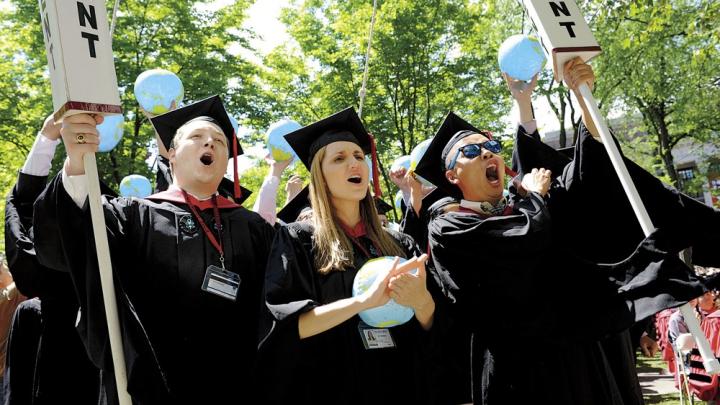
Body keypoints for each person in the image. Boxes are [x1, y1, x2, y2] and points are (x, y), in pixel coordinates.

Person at [413, 59, 718, 404]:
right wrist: (532, 196)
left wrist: (581, 98)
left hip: (577, 355)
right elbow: (518, 241)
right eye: (470, 151)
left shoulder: (526, 200)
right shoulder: (450, 226)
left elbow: (589, 171)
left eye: (491, 147)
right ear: (452, 177)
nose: (486, 152)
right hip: (517, 369)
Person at [33, 96, 275, 405]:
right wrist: (77, 162)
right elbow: (76, 238)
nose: (210, 145)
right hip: (151, 382)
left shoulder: (256, 229)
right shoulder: (132, 215)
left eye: (219, 141)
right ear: (171, 154)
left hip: (236, 384)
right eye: (197, 138)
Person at [257, 107, 439, 404]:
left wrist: (423, 302)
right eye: (339, 158)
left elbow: (433, 327)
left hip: (401, 384)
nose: (354, 163)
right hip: (330, 387)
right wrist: (362, 303)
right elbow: (286, 327)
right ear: (320, 177)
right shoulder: (299, 239)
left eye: (358, 156)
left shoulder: (398, 243)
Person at [3, 114, 102, 404]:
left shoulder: (114, 233)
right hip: (54, 349)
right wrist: (47, 136)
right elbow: (24, 209)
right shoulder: (33, 312)